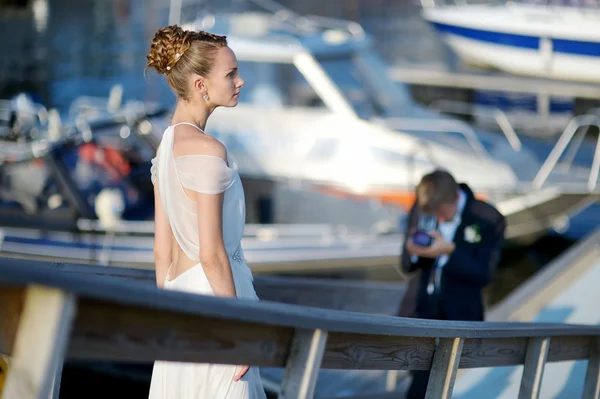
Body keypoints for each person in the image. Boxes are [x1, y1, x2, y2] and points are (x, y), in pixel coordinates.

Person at [146, 25, 266, 399]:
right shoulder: (207, 150)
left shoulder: (166, 146)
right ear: (200, 85)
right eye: (231, 74)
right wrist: (239, 332)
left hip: (179, 305)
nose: (240, 81)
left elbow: (162, 252)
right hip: (218, 309)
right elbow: (211, 253)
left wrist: (169, 314)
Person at [398, 169, 505, 399]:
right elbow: (407, 264)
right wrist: (416, 252)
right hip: (419, 312)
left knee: (437, 385)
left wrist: (449, 251)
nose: (436, 217)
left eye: (441, 212)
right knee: (419, 380)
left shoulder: (488, 218)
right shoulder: (422, 205)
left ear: (455, 198)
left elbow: (484, 274)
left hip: (458, 316)